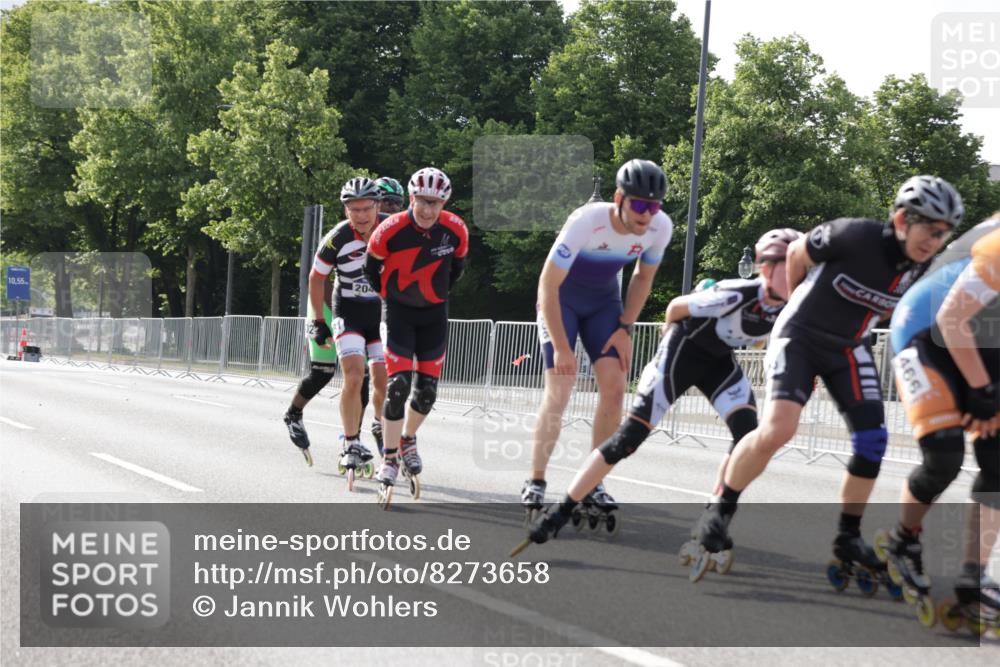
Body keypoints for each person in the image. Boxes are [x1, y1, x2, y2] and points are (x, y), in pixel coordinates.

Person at [690, 175, 963, 580]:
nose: (935, 240)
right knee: (779, 428)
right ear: (904, 219)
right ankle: (720, 508)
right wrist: (798, 300)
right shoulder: (854, 235)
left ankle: (847, 536)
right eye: (930, 228)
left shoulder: (922, 267)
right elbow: (798, 253)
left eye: (944, 233)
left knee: (873, 440)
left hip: (848, 348)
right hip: (799, 336)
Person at [525, 229, 800, 543]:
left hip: (718, 363)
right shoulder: (736, 293)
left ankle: (716, 515)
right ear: (766, 268)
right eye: (790, 268)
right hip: (680, 356)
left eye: (802, 269)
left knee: (747, 436)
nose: (798, 277)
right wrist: (668, 341)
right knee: (628, 439)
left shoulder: (791, 306)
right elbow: (675, 307)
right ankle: (560, 511)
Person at [520, 159, 673, 518]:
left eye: (654, 206)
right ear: (619, 198)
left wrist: (625, 328)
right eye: (639, 205)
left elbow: (642, 278)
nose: (647, 214)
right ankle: (536, 479)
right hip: (561, 300)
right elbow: (548, 285)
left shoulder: (659, 227)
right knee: (561, 386)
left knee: (616, 388)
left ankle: (594, 482)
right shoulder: (587, 221)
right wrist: (561, 347)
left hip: (604, 304)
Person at [880, 215, 1000, 628]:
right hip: (925, 331)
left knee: (997, 462)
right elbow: (951, 322)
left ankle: (972, 577)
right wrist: (983, 391)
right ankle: (902, 542)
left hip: (981, 341)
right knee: (944, 456)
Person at [364, 167, 469, 504]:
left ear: (444, 203)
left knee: (427, 393)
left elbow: (457, 270)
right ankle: (390, 458)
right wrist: (389, 297)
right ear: (411, 199)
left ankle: (408, 438)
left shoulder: (455, 230)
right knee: (398, 386)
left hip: (434, 315)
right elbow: (370, 268)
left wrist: (435, 296)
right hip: (397, 313)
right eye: (423, 201)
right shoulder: (389, 229)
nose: (428, 209)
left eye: (435, 203)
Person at [306, 177, 391, 478]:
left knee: (383, 380)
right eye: (353, 210)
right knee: (354, 375)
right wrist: (319, 321)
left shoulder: (391, 230)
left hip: (381, 310)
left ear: (378, 206)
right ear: (345, 211)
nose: (360, 216)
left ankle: (383, 435)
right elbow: (316, 278)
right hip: (349, 310)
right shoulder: (337, 238)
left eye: (366, 208)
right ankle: (350, 443)